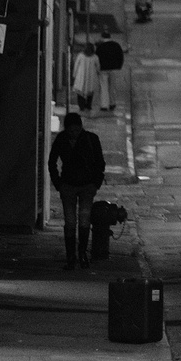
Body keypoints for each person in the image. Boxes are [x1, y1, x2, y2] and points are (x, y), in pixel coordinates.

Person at [48, 112, 105, 270]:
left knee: (85, 218)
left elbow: (100, 162)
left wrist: (95, 183)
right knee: (70, 221)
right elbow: (52, 162)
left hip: (87, 185)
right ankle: (71, 257)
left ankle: (82, 254)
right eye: (71, 131)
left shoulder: (90, 139)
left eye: (76, 130)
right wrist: (58, 183)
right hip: (68, 185)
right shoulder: (61, 139)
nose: (73, 134)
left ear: (81, 128)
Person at [94, 30, 124, 112]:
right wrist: (119, 66)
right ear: (110, 37)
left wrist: (97, 69)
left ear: (102, 38)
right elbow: (120, 56)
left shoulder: (100, 47)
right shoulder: (116, 45)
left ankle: (104, 105)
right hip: (114, 69)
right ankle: (112, 103)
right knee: (112, 87)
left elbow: (96, 59)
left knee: (104, 87)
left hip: (103, 69)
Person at [71, 41, 99, 112]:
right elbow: (98, 67)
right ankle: (88, 105)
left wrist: (74, 75)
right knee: (90, 91)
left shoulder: (80, 55)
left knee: (80, 91)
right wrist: (98, 73)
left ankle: (81, 106)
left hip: (81, 76)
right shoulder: (95, 57)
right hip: (91, 77)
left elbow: (76, 65)